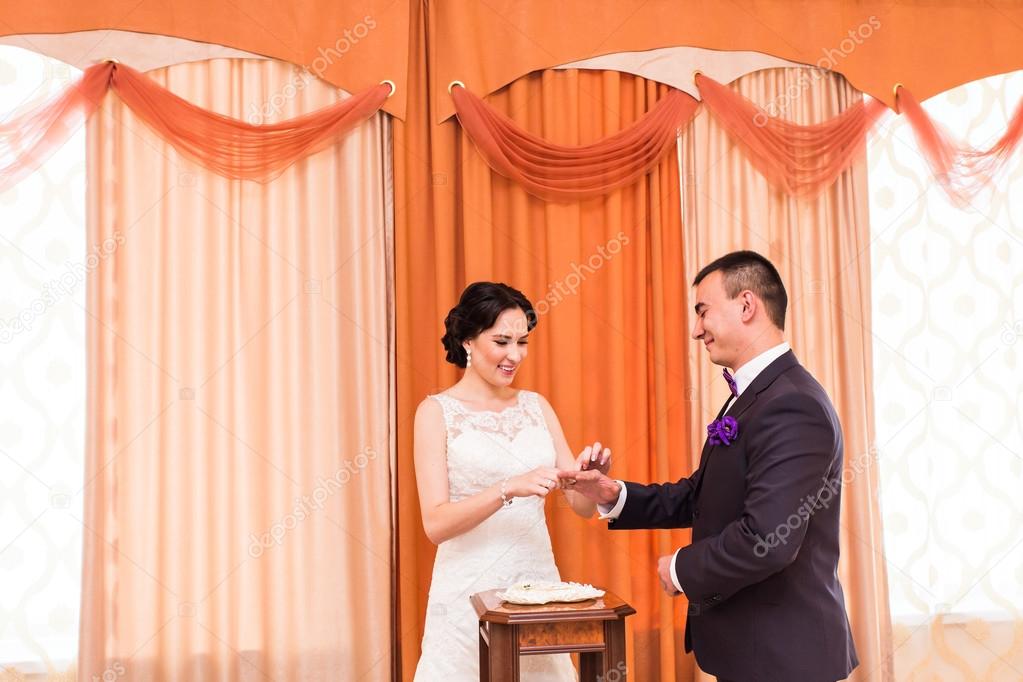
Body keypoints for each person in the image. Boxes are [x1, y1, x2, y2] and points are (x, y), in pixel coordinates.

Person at [562, 251, 859, 682]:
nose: (695, 329)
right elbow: (701, 494)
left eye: (702, 311)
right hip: (756, 653)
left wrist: (681, 568)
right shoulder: (758, 394)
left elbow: (768, 539)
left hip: (785, 658)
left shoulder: (792, 403)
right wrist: (614, 494)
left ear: (746, 305)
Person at [413, 281, 609, 681]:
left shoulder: (537, 406)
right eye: (502, 341)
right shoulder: (435, 413)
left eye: (522, 342)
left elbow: (581, 508)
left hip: (537, 591)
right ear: (468, 339)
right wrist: (506, 489)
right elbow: (435, 525)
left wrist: (591, 480)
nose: (514, 355)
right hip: (466, 594)